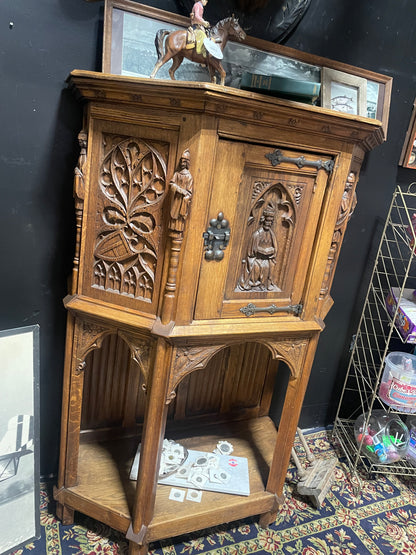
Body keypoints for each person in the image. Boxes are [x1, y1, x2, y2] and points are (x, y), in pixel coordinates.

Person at [239, 203, 278, 291]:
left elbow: (275, 247)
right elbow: (252, 250)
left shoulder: (271, 234)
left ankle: (265, 284)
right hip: (255, 258)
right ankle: (254, 283)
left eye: (271, 222)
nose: (269, 223)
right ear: (263, 220)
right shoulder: (257, 234)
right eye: (267, 221)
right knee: (258, 266)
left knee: (268, 265)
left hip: (267, 258)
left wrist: (271, 251)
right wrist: (262, 251)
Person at [169, 150, 193, 233]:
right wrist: (180, 190)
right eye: (181, 162)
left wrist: (186, 197)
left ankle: (178, 230)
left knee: (179, 221)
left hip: (182, 202)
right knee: (173, 216)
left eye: (184, 162)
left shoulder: (188, 176)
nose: (182, 164)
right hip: (176, 200)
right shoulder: (177, 174)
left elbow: (189, 192)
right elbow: (172, 184)